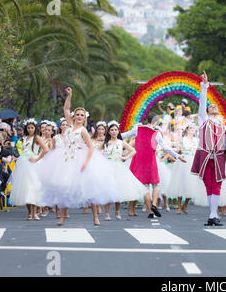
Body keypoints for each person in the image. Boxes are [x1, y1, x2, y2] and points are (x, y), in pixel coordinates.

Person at [37, 86, 121, 226]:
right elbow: (65, 110)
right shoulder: (69, 126)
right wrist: (69, 96)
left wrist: (86, 163)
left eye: (82, 115)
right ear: (74, 116)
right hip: (66, 158)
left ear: (84, 118)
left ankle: (95, 216)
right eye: (78, 114)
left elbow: (90, 148)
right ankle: (62, 217)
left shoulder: (83, 131)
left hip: (81, 159)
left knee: (89, 189)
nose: (80, 117)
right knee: (64, 187)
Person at [190, 71, 226, 226]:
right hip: (206, 157)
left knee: (217, 185)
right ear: (207, 112)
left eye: (215, 106)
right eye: (210, 106)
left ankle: (213, 215)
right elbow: (201, 103)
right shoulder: (203, 122)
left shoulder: (224, 128)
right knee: (209, 185)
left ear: (218, 112)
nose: (212, 106)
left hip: (219, 157)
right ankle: (212, 214)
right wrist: (205, 86)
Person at [121, 112, 186, 219]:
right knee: (155, 185)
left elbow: (123, 135)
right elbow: (166, 148)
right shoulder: (157, 133)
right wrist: (178, 156)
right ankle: (154, 204)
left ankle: (150, 210)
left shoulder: (138, 129)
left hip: (138, 161)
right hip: (151, 161)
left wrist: (109, 136)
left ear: (147, 120)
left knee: (144, 186)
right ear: (155, 122)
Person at [102, 121, 148, 221]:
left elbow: (133, 151)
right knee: (108, 190)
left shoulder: (121, 142)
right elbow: (96, 151)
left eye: (115, 130)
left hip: (118, 167)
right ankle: (106, 213)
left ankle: (117, 211)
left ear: (118, 131)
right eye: (112, 130)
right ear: (109, 132)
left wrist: (125, 157)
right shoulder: (105, 143)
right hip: (108, 167)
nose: (114, 132)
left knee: (118, 189)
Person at [10, 118, 49, 220]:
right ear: (26, 128)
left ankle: (35, 212)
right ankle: (29, 213)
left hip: (34, 164)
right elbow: (23, 151)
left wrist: (37, 159)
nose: (30, 129)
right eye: (28, 128)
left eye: (32, 127)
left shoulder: (37, 138)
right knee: (25, 187)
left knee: (34, 187)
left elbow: (45, 150)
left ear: (35, 128)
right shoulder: (24, 138)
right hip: (24, 164)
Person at [170, 122, 205, 214]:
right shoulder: (182, 139)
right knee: (181, 184)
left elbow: (200, 152)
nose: (192, 130)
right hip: (184, 162)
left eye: (193, 128)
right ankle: (179, 206)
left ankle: (185, 204)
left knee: (192, 185)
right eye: (190, 128)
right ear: (187, 129)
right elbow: (177, 150)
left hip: (193, 162)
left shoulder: (197, 140)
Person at [82, 121, 107, 214]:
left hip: (101, 163)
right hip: (91, 161)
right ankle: (86, 206)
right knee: (87, 183)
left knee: (98, 184)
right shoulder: (91, 139)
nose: (100, 131)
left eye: (102, 129)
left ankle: (97, 205)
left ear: (105, 130)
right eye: (99, 129)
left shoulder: (107, 139)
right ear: (96, 130)